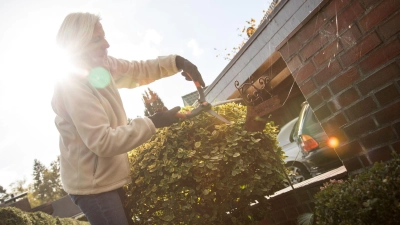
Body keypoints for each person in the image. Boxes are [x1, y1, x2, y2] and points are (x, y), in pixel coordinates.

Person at [51, 12, 205, 225]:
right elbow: (103, 142)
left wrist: (178, 62)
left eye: (103, 37)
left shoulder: (101, 67)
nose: (107, 44)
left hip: (108, 177)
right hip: (93, 186)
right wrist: (154, 121)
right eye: (97, 39)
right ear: (78, 44)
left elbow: (136, 71)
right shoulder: (73, 86)